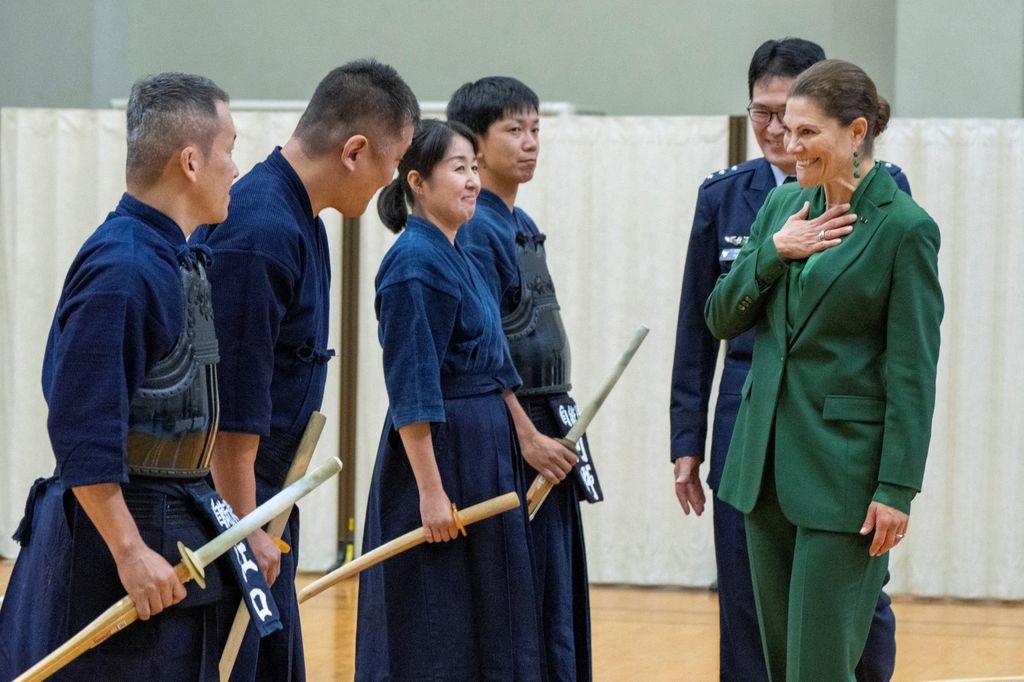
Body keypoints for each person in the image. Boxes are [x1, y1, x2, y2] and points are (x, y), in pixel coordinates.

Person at [670, 38, 909, 681]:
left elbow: (909, 366)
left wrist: (895, 485)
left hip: (836, 445)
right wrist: (685, 438)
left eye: (799, 123)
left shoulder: (894, 211)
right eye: (766, 117)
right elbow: (704, 324)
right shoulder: (743, 197)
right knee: (751, 613)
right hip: (749, 429)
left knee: (847, 623)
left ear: (850, 128)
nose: (781, 136)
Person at [0, 72, 239, 680]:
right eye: (229, 150)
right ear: (190, 161)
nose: (235, 169)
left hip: (168, 530)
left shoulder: (170, 257)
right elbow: (82, 427)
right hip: (113, 551)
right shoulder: (125, 269)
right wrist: (130, 551)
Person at [191, 60, 418, 682]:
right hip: (235, 499)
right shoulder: (261, 230)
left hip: (264, 497)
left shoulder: (300, 219)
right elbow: (230, 415)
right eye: (392, 163)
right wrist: (244, 530)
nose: (392, 180)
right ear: (354, 151)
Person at [355, 119, 544, 680]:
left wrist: (523, 439)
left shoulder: (457, 251)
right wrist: (431, 492)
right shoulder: (414, 263)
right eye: (458, 169)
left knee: (489, 617)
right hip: (441, 459)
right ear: (416, 181)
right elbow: (412, 389)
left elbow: (496, 367)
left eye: (473, 169)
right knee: (438, 625)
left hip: (483, 453)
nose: (472, 182)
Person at [447, 76, 592, 682]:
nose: (531, 143)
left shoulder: (518, 218)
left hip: (545, 424)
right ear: (474, 147)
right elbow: (480, 350)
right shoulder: (476, 227)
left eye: (536, 129)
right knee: (518, 595)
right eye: (515, 130)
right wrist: (526, 437)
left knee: (551, 592)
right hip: (511, 434)